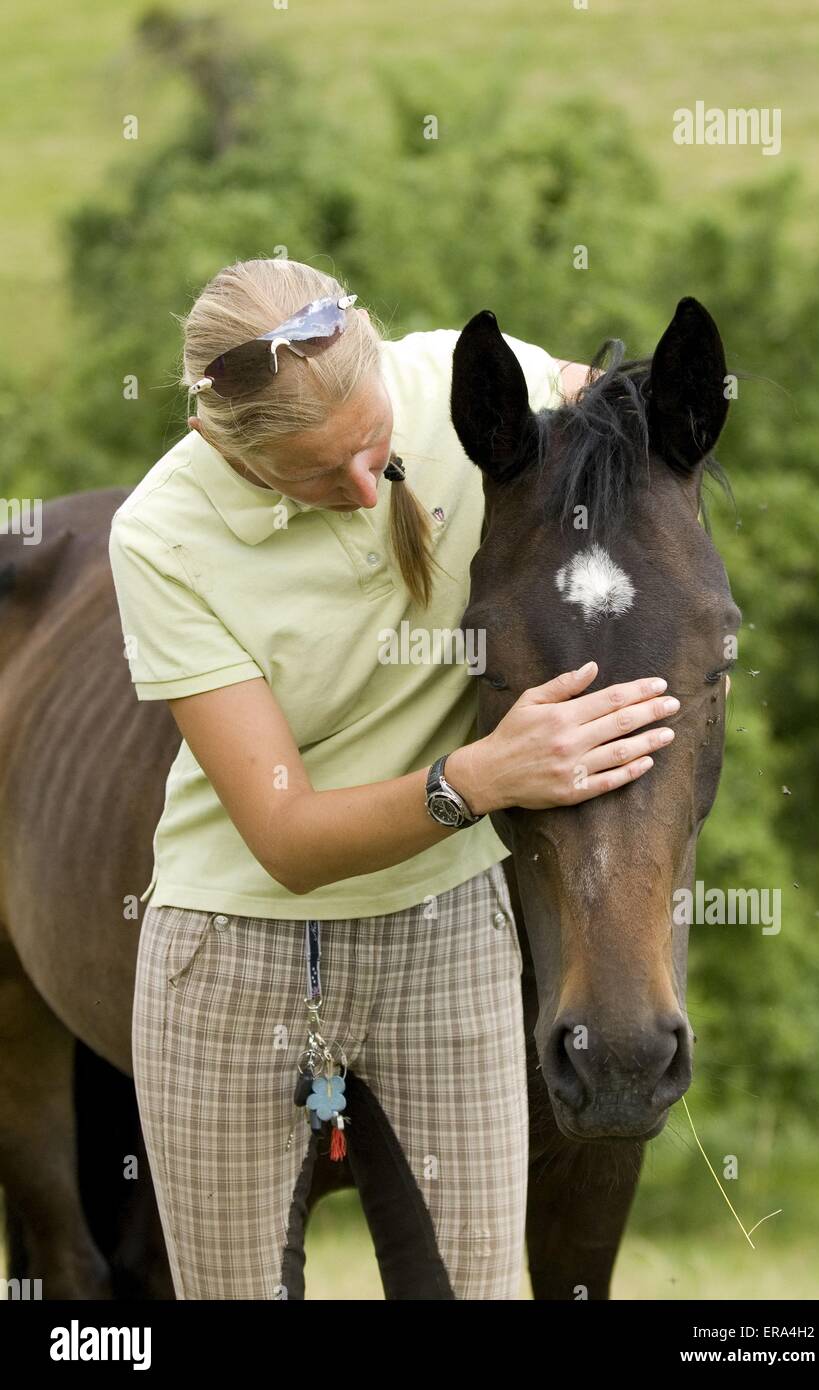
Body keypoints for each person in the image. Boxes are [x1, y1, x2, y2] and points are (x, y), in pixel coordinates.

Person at [107, 257, 679, 1300]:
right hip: (231, 951)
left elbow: (622, 454)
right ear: (214, 442)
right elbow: (283, 835)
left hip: (444, 928)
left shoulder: (464, 381)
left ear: (377, 353)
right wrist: (483, 774)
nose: (365, 491)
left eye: (375, 451)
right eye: (320, 475)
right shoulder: (159, 537)